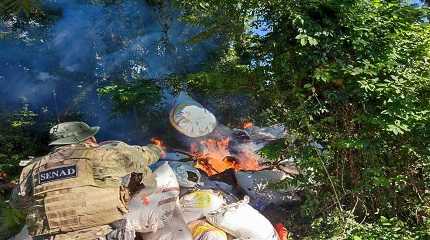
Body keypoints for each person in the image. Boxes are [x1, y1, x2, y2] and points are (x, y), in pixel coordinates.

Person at [10, 122, 165, 240]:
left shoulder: (32, 169)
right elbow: (143, 157)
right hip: (102, 234)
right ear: (89, 139)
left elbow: (18, 203)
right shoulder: (100, 155)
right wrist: (157, 148)